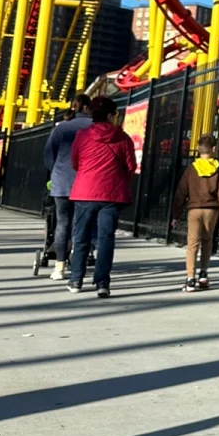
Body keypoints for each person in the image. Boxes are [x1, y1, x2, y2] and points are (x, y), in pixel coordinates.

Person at [66, 97, 136, 299]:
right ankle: (102, 283)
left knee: (81, 237)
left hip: (85, 191)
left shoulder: (82, 135)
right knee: (106, 239)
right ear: (112, 115)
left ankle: (76, 279)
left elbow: (75, 162)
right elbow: (131, 166)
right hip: (112, 193)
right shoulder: (123, 138)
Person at [171, 133, 219, 292]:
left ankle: (190, 278)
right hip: (211, 211)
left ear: (198, 150)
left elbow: (181, 193)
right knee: (207, 241)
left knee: (192, 244)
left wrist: (176, 214)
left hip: (194, 209)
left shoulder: (192, 169)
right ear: (213, 149)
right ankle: (203, 274)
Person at [42, 94, 92, 281]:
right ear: (88, 107)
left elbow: (48, 156)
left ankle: (59, 266)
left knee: (62, 222)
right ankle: (78, 262)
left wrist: (57, 171)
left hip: (61, 182)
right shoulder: (95, 128)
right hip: (87, 182)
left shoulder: (61, 128)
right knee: (83, 224)